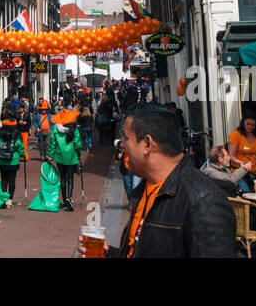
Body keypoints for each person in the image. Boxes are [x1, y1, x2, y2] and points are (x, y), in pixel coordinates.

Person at [81, 105, 235, 258]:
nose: (121, 144)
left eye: (126, 138)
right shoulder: (144, 189)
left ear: (147, 144)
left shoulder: (204, 202)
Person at [0, 109, 26, 207]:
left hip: (1, 160)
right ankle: (10, 199)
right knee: (12, 179)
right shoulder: (16, 133)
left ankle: (4, 199)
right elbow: (19, 146)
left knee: (4, 180)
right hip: (13, 160)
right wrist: (23, 155)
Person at [48, 108, 84, 212]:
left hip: (60, 157)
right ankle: (69, 197)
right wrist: (79, 154)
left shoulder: (56, 128)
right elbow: (77, 144)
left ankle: (64, 200)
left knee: (62, 179)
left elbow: (53, 143)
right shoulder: (74, 129)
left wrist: (50, 155)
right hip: (71, 157)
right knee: (70, 178)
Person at [226, 116, 256, 182]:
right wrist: (239, 162)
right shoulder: (236, 134)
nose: (250, 127)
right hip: (240, 172)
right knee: (245, 192)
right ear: (243, 123)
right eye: (248, 124)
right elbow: (231, 155)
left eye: (253, 125)